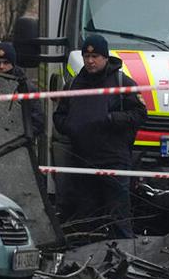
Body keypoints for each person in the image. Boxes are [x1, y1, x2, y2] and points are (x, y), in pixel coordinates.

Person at [52, 34, 146, 239]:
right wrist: (72, 126)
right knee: (85, 217)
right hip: (82, 160)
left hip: (114, 159)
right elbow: (59, 116)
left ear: (105, 57)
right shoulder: (74, 84)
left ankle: (125, 257)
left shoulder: (122, 82)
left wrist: (111, 119)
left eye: (95, 56)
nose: (90, 61)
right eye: (86, 56)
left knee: (118, 215)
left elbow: (140, 114)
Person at [0, 41, 43, 136]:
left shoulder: (26, 88)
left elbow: (37, 123)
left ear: (13, 64)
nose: (1, 67)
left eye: (6, 63)